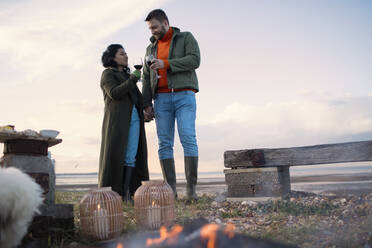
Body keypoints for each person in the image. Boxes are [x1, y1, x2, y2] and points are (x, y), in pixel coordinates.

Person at [142, 9, 201, 200]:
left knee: (187, 138)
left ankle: (191, 191)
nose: (153, 32)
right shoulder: (150, 49)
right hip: (161, 99)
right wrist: (146, 104)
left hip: (184, 95)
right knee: (164, 144)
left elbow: (195, 60)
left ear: (166, 23)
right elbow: (145, 76)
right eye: (150, 29)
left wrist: (166, 64)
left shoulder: (185, 37)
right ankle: (171, 192)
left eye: (155, 27)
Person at [98, 44, 149, 202]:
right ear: (112, 57)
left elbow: (138, 97)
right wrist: (134, 78)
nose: (126, 56)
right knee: (114, 155)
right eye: (121, 54)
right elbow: (114, 93)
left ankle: (127, 193)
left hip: (134, 119)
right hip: (117, 122)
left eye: (126, 53)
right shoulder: (108, 74)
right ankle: (114, 193)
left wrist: (147, 107)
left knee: (131, 156)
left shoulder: (128, 76)